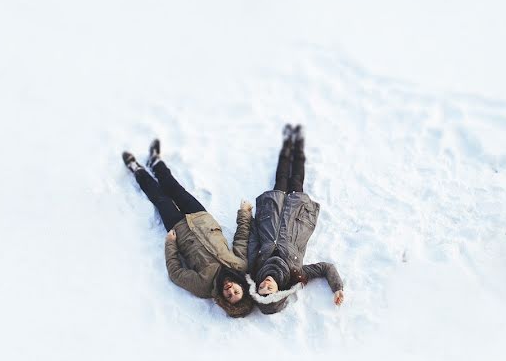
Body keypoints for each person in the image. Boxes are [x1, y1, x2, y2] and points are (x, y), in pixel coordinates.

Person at [122, 139, 254, 318]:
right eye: (236, 292)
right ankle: (156, 162)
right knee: (175, 189)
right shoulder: (240, 266)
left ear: (223, 299)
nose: (230, 290)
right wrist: (244, 213)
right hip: (202, 219)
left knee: (160, 198)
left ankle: (136, 169)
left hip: (180, 231)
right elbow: (241, 238)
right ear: (242, 289)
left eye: (229, 296)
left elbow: (176, 273)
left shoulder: (204, 287)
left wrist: (171, 244)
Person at [246, 125, 345, 314]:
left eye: (261, 289)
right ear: (279, 291)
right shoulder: (296, 273)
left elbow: (252, 238)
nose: (266, 285)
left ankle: (287, 143)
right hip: (296, 216)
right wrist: (337, 287)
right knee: (297, 179)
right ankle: (298, 144)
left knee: (281, 177)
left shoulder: (255, 266)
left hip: (272, 213)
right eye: (270, 290)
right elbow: (325, 268)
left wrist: (248, 217)